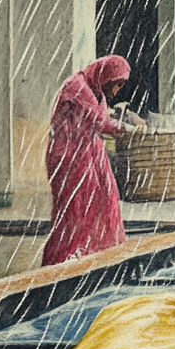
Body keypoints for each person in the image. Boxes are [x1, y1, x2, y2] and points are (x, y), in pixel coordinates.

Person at [42, 55, 136, 266]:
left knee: (103, 199)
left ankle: (95, 254)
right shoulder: (78, 87)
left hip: (87, 153)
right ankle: (66, 259)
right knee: (76, 208)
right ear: (106, 77)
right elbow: (98, 120)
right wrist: (125, 128)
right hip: (69, 156)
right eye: (116, 84)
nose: (115, 91)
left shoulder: (96, 91)